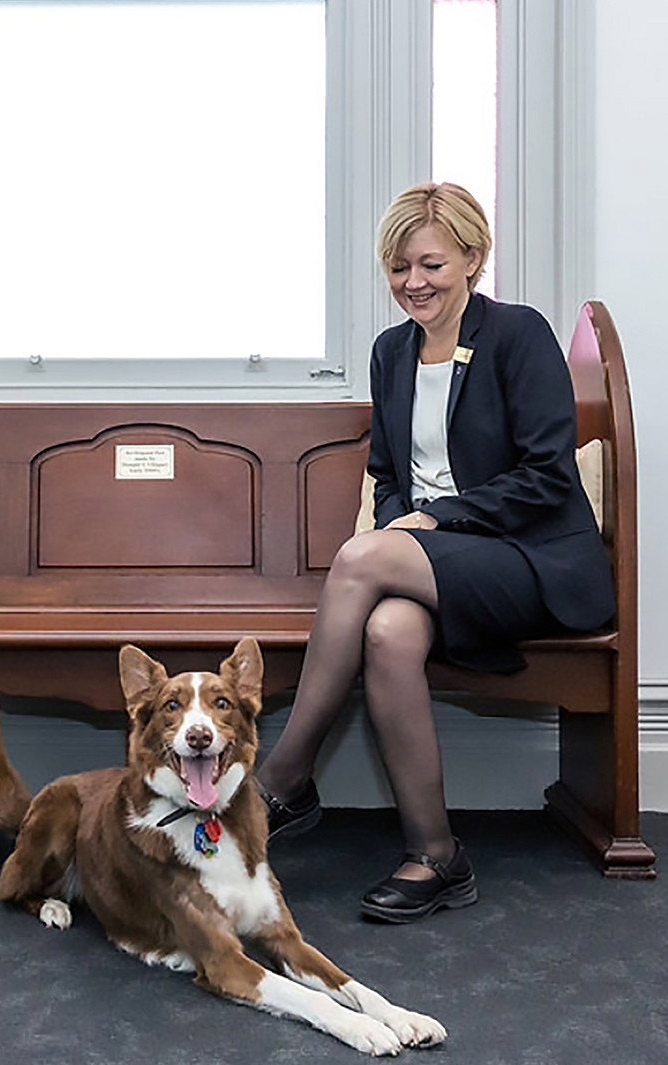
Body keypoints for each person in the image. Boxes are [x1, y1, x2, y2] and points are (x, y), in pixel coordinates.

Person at [253, 182, 616, 923]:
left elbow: (547, 477)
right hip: (435, 558)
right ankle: (436, 855)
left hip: (529, 560)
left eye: (431, 264)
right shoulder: (391, 353)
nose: (413, 282)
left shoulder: (518, 334)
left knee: (360, 557)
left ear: (473, 259)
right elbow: (388, 476)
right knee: (388, 632)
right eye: (398, 267)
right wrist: (406, 524)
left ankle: (281, 780)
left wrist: (432, 521)